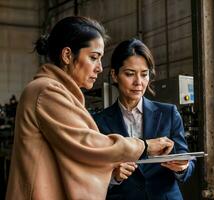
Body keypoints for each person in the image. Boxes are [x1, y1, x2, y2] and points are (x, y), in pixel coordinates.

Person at [5, 17, 174, 200]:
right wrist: (144, 146)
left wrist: (110, 171)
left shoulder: (57, 92)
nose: (99, 68)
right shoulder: (47, 91)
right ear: (68, 55)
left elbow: (71, 157)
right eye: (94, 57)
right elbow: (86, 143)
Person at [93, 38, 195, 200]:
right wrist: (113, 176)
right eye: (129, 74)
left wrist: (182, 167)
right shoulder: (99, 122)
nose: (138, 82)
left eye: (144, 74)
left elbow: (186, 160)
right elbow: (93, 173)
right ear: (114, 75)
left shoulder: (168, 113)